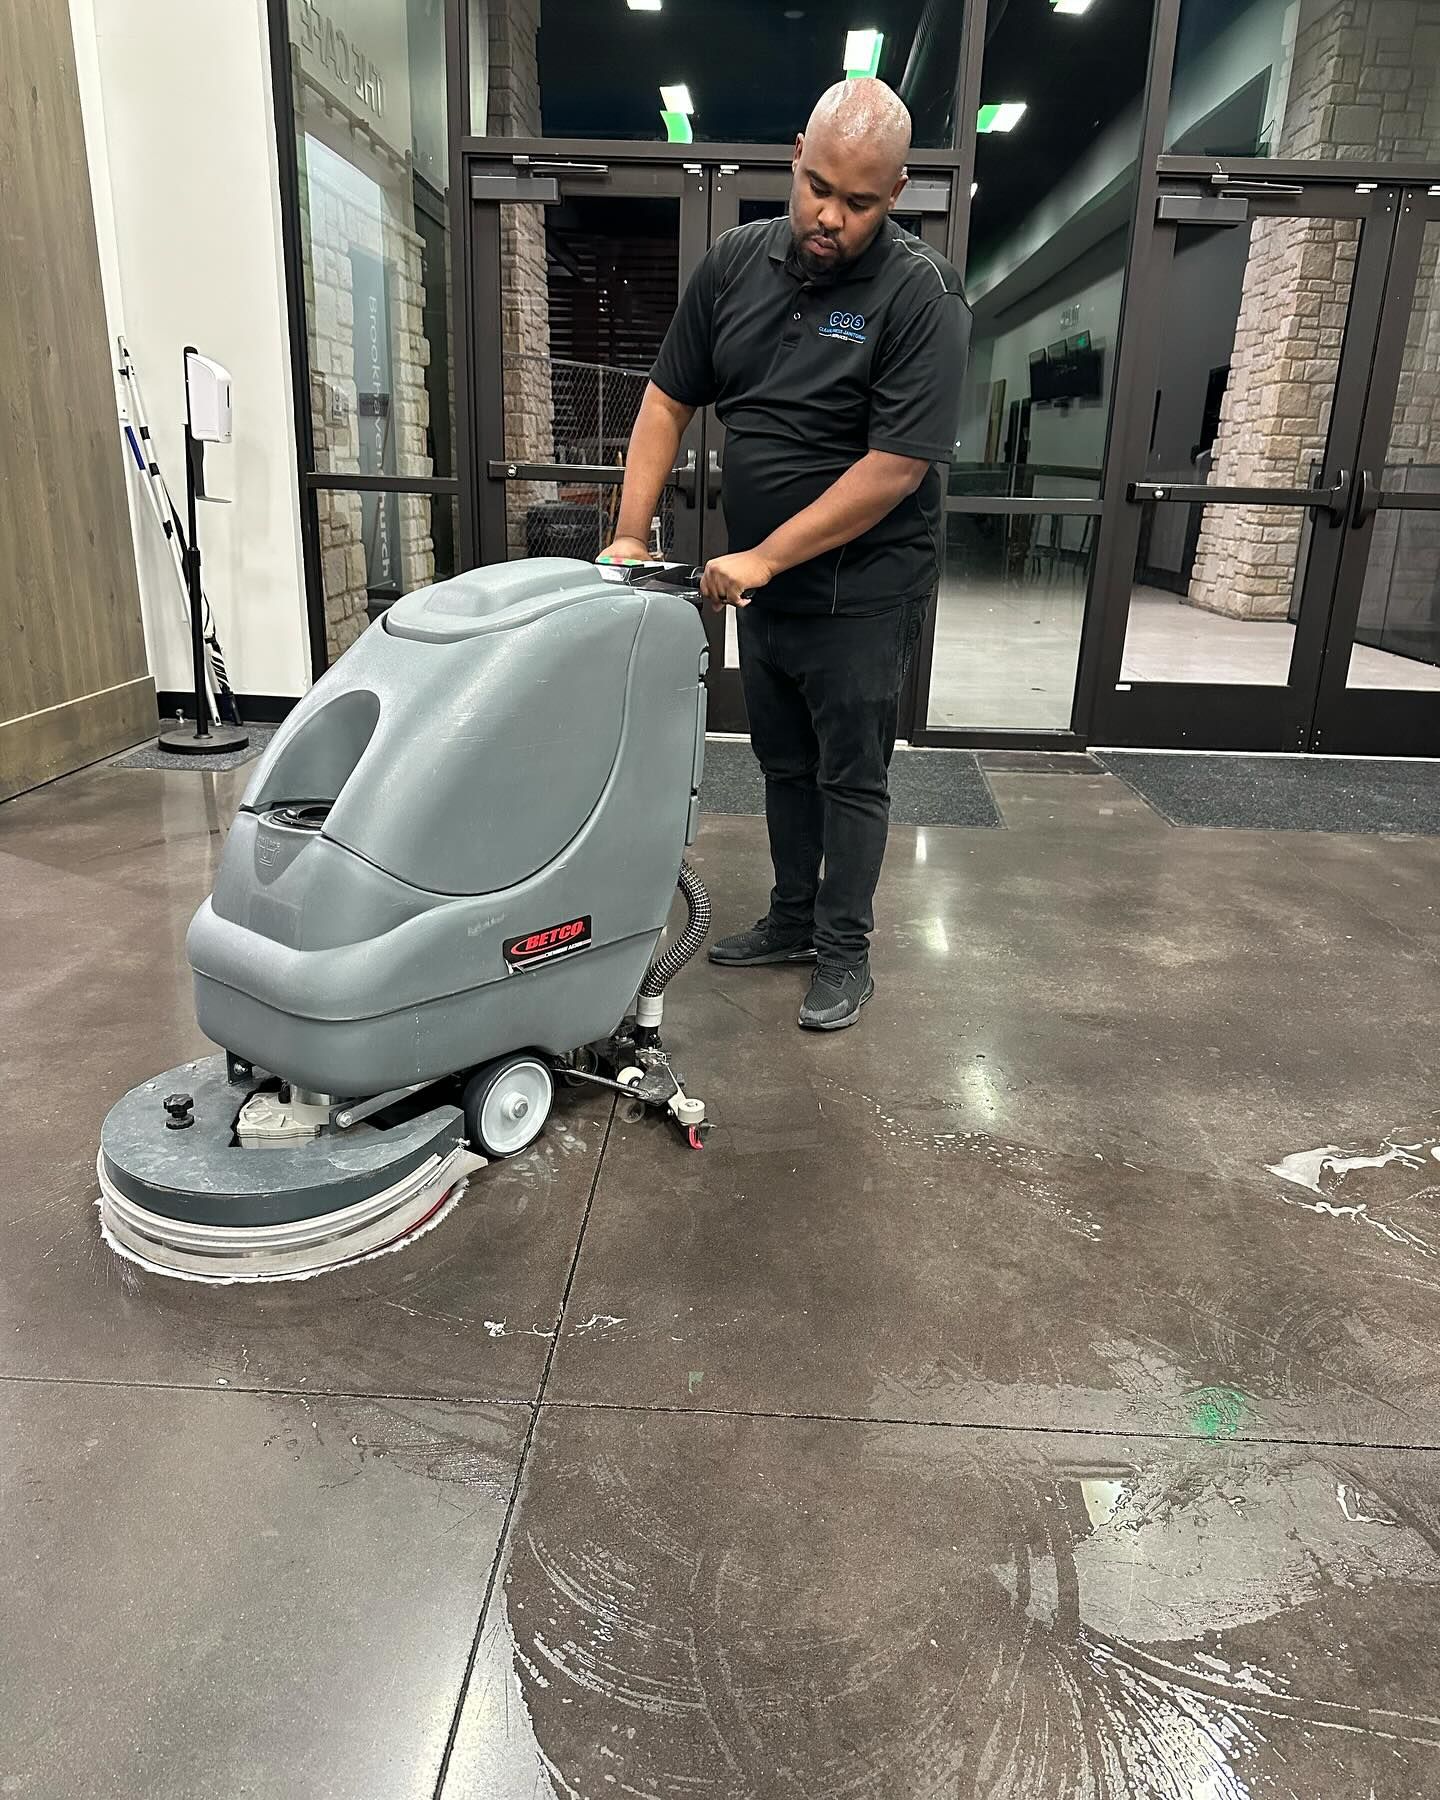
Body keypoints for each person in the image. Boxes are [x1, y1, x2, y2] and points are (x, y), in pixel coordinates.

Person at [600, 78, 970, 1031]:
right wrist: (630, 532)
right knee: (781, 762)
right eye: (816, 186)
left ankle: (845, 953)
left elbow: (894, 466)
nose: (828, 215)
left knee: (851, 772)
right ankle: (793, 919)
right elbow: (665, 403)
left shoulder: (920, 296)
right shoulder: (735, 265)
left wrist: (764, 556)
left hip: (863, 589)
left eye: (859, 202)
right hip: (762, 591)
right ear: (795, 158)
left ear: (895, 196)